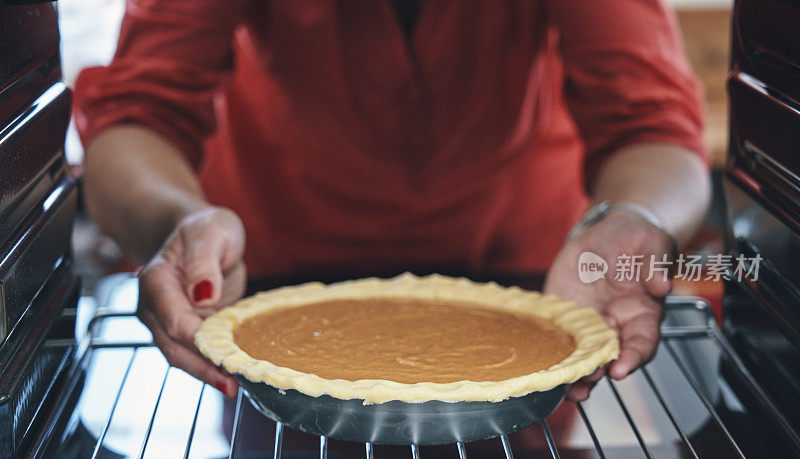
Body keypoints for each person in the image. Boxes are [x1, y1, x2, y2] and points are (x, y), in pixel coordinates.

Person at [73, 0, 710, 402]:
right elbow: (138, 117)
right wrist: (180, 224)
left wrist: (632, 218)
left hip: (540, 285)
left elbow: (653, 130)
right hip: (267, 287)